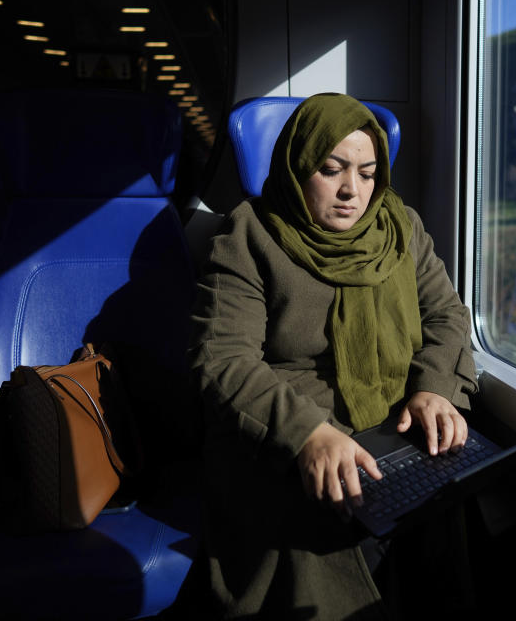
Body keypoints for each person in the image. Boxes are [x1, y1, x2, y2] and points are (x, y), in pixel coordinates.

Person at [184, 93, 478, 618]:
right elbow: (224, 360)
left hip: (392, 422)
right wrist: (307, 434)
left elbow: (448, 316)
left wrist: (436, 388)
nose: (353, 191)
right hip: (282, 430)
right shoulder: (250, 233)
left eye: (368, 173)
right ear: (299, 166)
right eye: (331, 169)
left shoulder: (401, 228)